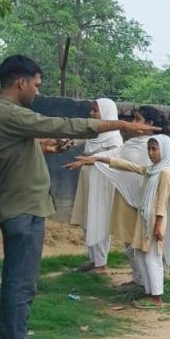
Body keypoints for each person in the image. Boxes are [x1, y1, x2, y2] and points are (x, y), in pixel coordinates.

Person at [0, 55, 157, 339]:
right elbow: (61, 125)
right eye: (36, 85)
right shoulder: (9, 113)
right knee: (20, 283)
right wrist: (121, 124)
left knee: (21, 280)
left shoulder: (1, 113)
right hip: (22, 208)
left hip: (23, 205)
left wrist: (44, 148)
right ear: (21, 82)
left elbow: (19, 149)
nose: (37, 91)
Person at [76, 134, 170, 308]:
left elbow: (162, 203)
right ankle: (149, 291)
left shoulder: (165, 173)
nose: (151, 153)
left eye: (154, 149)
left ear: (165, 150)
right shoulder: (151, 170)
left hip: (154, 221)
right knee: (142, 255)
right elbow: (130, 166)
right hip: (144, 218)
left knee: (152, 257)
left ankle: (157, 297)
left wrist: (158, 226)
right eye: (149, 149)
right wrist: (99, 159)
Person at [71, 98, 123, 275]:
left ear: (107, 112)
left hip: (102, 181)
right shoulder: (94, 135)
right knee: (88, 218)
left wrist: (92, 160)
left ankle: (101, 263)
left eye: (96, 110)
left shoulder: (114, 138)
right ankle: (93, 259)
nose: (92, 113)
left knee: (99, 219)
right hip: (88, 179)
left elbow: (113, 160)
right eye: (92, 110)